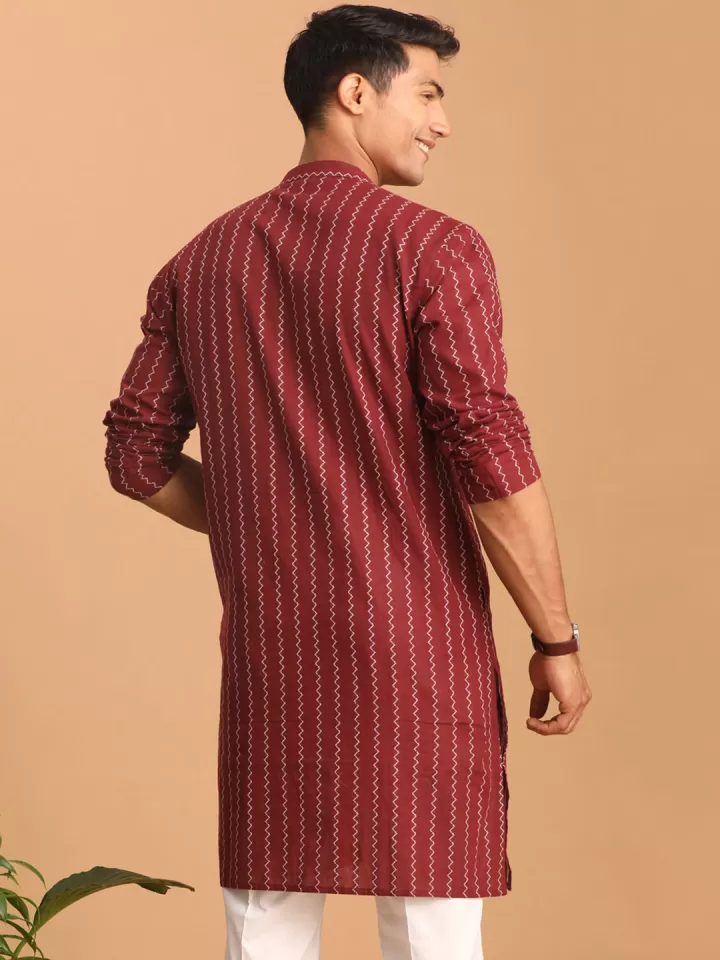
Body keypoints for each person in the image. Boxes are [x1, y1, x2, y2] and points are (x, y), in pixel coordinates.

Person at [101, 4, 592, 958]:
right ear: (356, 91)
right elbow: (489, 454)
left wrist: (270, 514)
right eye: (429, 94)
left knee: (266, 931)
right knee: (432, 929)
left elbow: (135, 455)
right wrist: (555, 637)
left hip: (273, 665)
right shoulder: (433, 249)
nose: (442, 122)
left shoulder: (198, 265)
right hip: (418, 653)